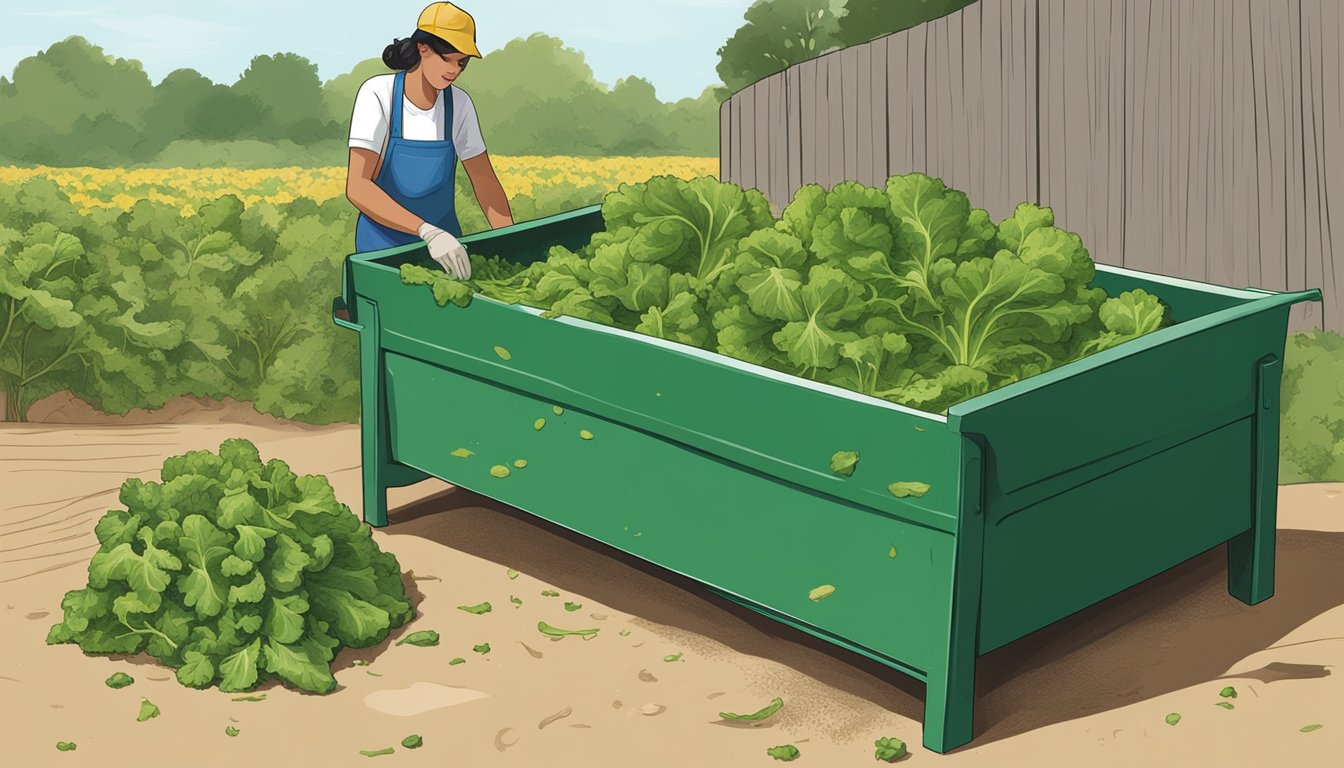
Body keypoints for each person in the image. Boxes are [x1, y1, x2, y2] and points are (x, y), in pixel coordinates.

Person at [345, 2, 513, 278]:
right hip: (383, 254)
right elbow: (358, 187)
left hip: (448, 253)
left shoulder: (459, 104)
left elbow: (484, 180)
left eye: (461, 63)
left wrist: (509, 240)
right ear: (423, 48)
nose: (454, 70)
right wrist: (427, 231)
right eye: (447, 59)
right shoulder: (378, 94)